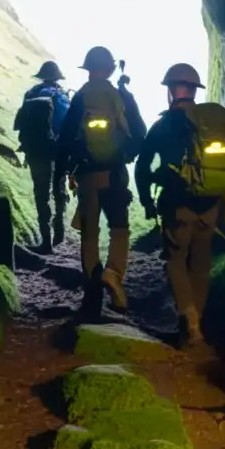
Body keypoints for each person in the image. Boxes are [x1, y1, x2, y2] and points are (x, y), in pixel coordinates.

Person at [135, 63, 225, 346]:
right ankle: (198, 324)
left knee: (175, 261)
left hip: (177, 207)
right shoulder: (213, 125)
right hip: (210, 206)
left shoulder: (162, 126)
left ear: (171, 92)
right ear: (194, 91)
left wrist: (147, 201)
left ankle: (189, 317)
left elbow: (142, 166)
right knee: (200, 261)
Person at [55, 46, 147, 317]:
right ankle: (114, 273)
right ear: (109, 70)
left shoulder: (81, 98)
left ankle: (92, 289)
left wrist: (60, 175)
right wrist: (123, 155)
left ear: (89, 70)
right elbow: (140, 134)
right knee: (120, 230)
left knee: (90, 234)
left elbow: (65, 139)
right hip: (116, 177)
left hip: (87, 177)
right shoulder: (121, 96)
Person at [14, 60, 72, 252]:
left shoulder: (31, 94)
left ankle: (45, 241)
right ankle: (59, 234)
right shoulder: (62, 96)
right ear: (57, 77)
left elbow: (22, 122)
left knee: (41, 194)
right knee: (59, 191)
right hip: (57, 151)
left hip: (36, 151)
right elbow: (68, 124)